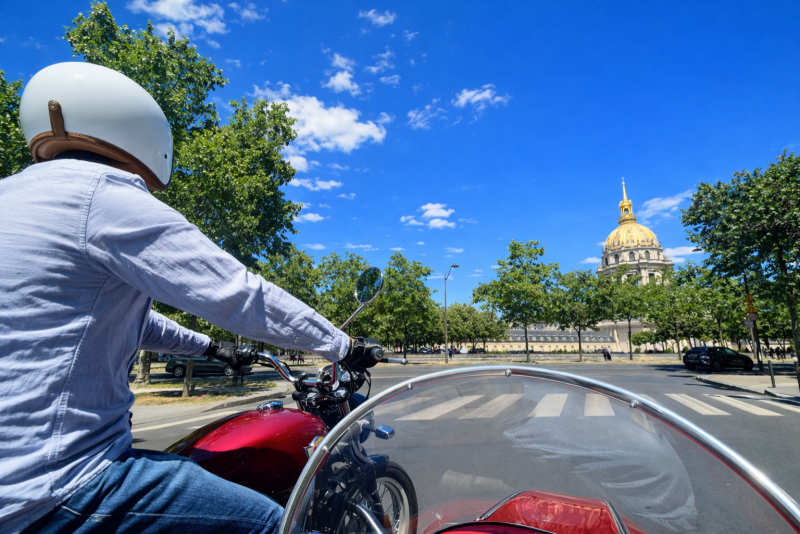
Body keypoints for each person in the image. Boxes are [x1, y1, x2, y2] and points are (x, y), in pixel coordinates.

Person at [0, 62, 380, 534]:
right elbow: (238, 293)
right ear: (141, 132)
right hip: (59, 482)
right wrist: (340, 345)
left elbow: (128, 321)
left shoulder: (16, 197)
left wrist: (209, 348)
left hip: (17, 481)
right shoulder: (102, 195)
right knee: (268, 521)